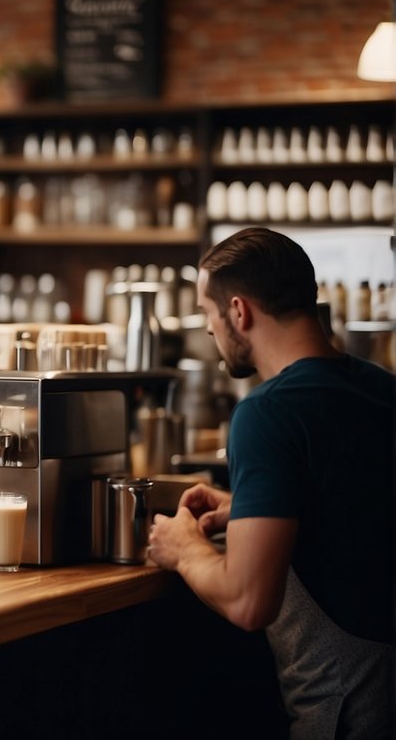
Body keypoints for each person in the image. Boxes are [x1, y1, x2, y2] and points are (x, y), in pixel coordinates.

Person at [147, 227, 393, 739]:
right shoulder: (379, 387)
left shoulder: (267, 413)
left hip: (348, 708)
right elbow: (353, 509)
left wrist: (185, 548)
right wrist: (250, 505)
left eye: (209, 316)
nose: (211, 332)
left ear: (238, 311)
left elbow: (248, 602)